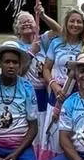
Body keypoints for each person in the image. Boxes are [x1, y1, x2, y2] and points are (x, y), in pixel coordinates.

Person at [40, 8, 84, 160]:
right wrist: (54, 85)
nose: (75, 24)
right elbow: (46, 68)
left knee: (75, 139)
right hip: (58, 97)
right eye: (72, 21)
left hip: (79, 98)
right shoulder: (56, 43)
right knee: (54, 138)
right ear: (66, 23)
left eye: (79, 21)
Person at [13, 9, 54, 148]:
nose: (26, 23)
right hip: (25, 93)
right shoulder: (15, 47)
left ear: (36, 25)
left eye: (29, 20)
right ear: (17, 28)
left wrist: (43, 15)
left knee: (43, 128)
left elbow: (61, 32)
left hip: (44, 93)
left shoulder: (44, 41)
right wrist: (31, 53)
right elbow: (16, 72)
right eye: (22, 22)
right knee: (29, 127)